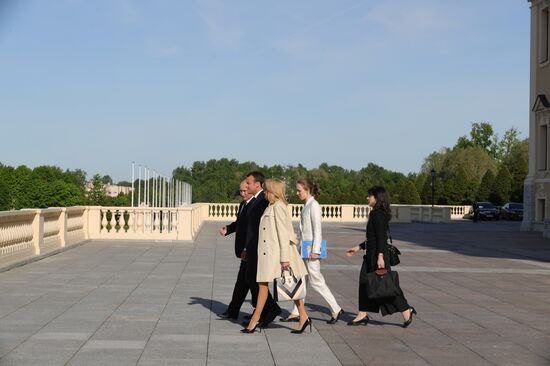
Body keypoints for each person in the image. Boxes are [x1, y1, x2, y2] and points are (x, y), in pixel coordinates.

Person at [242, 178, 311, 334]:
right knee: (266, 285)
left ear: (273, 191)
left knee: (289, 285)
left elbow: (283, 234)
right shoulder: (271, 206)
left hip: (277, 255)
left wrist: (285, 258)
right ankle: (302, 316)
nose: (265, 193)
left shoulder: (278, 207)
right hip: (269, 254)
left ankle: (256, 320)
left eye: (267, 190)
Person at [345, 186, 416, 328]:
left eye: (369, 196)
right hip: (371, 254)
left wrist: (381, 257)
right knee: (365, 283)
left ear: (377, 198)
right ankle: (362, 313)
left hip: (377, 255)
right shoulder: (376, 213)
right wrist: (359, 247)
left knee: (387, 287)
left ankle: (406, 309)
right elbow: (372, 238)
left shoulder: (378, 214)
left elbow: (381, 239)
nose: (367, 198)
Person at [281, 179, 343, 324]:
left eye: (299, 190)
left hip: (311, 250)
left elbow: (318, 230)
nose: (297, 193)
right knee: (302, 280)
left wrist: (316, 251)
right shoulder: (307, 205)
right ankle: (296, 312)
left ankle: (336, 308)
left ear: (307, 190)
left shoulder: (314, 205)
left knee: (316, 281)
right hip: (305, 248)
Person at [241, 172, 281, 329]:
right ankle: (266, 311)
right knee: (251, 279)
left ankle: (266, 312)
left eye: (248, 183)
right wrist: (246, 247)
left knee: (255, 280)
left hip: (261, 248)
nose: (246, 185)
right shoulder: (255, 200)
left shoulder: (264, 201)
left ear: (257, 184)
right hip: (252, 246)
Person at [217, 180, 253, 320]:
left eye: (245, 191)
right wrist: (228, 229)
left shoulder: (256, 205)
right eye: (241, 191)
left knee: (251, 284)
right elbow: (240, 224)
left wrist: (246, 248)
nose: (243, 193)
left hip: (250, 250)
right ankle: (233, 311)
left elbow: (252, 231)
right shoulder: (243, 204)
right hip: (245, 251)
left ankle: (268, 310)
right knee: (243, 282)